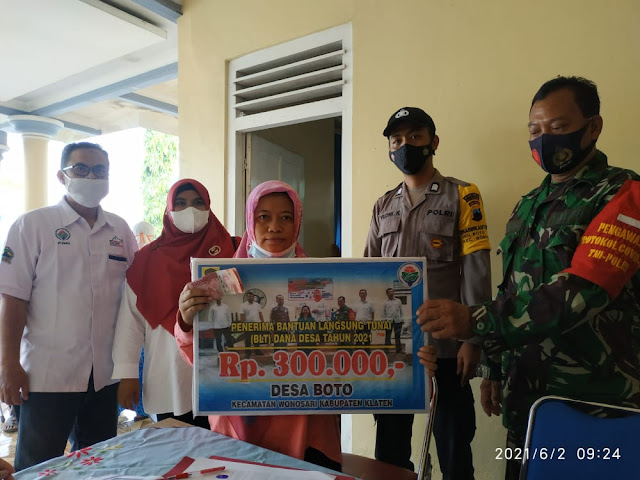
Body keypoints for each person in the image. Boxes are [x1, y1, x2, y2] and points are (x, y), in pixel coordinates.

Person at [416, 76, 640, 480]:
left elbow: (581, 292)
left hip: (595, 406)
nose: (544, 139)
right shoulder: (529, 205)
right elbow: (511, 287)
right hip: (528, 403)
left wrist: (474, 320)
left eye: (557, 127)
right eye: (535, 130)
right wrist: (495, 369)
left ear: (593, 127)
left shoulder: (624, 195)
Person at [175, 180, 342, 471]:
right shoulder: (219, 281)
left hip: (306, 427)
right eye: (263, 217)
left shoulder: (323, 281)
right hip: (238, 426)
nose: (274, 227)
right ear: (251, 222)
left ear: (297, 222)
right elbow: (198, 358)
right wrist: (186, 320)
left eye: (286, 217)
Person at [365, 107, 492, 477]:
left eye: (415, 136)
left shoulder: (463, 196)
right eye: (397, 140)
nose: (405, 145)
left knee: (454, 448)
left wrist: (473, 338)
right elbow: (369, 272)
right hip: (394, 348)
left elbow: (477, 269)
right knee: (390, 454)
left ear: (433, 142)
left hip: (448, 345)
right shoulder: (383, 205)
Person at [0, 142, 138, 471]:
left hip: (104, 376)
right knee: (38, 466)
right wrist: (8, 364)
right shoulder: (32, 225)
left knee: (97, 465)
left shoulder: (120, 230)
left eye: (99, 170)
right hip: (48, 376)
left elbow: (134, 300)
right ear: (62, 176)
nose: (91, 177)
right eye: (81, 169)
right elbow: (12, 298)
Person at [112, 179, 235, 429]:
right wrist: (127, 374)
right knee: (176, 447)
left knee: (224, 447)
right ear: (169, 210)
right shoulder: (146, 261)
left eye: (198, 202)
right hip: (169, 374)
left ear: (208, 207)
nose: (190, 210)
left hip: (225, 374)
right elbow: (130, 323)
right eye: (180, 203)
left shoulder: (233, 249)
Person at [240, 291, 264, 358]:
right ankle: (248, 353)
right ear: (247, 297)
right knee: (248, 339)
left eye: (252, 296)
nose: (250, 298)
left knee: (257, 339)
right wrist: (241, 325)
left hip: (257, 324)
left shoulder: (257, 305)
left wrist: (263, 322)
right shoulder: (243, 305)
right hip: (248, 325)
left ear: (253, 297)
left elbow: (260, 314)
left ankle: (257, 351)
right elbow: (242, 316)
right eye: (249, 296)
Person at [383, 288, 404, 353]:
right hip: (388, 321)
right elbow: (383, 312)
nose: (391, 293)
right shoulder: (385, 302)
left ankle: (399, 350)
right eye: (389, 292)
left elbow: (401, 310)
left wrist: (402, 319)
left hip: (398, 321)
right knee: (388, 336)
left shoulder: (398, 301)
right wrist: (384, 321)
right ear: (387, 294)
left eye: (392, 291)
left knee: (397, 336)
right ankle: (386, 350)